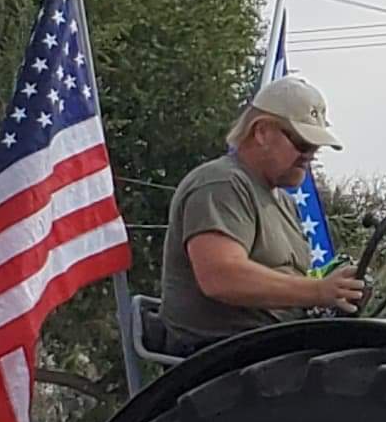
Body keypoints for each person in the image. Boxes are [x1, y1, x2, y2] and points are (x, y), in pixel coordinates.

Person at [156, 75, 366, 347]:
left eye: (315, 147)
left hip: (271, 348)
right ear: (262, 132)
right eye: (302, 143)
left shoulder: (284, 201)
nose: (310, 155)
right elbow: (221, 276)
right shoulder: (221, 183)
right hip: (222, 357)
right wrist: (318, 291)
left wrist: (336, 289)